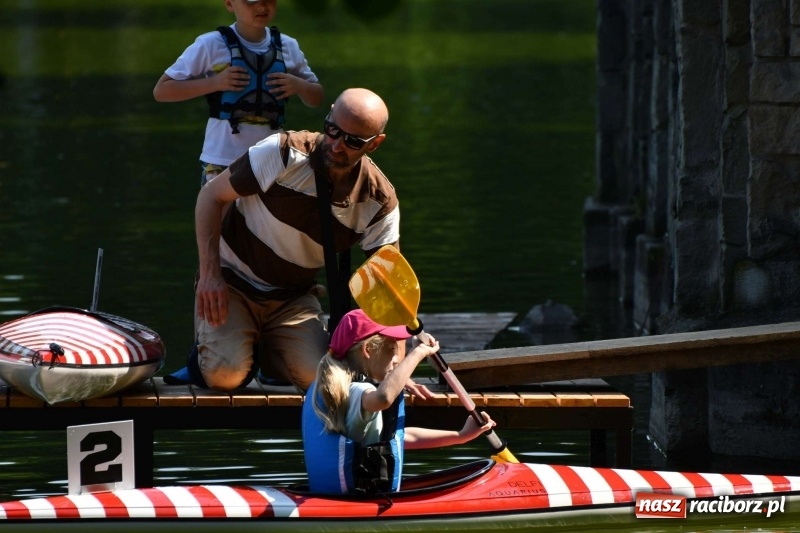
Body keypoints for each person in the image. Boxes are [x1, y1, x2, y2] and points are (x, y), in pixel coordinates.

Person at [173, 87, 429, 395]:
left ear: (375, 144)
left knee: (322, 383)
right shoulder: (283, 153)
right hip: (232, 282)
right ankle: (211, 355)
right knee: (224, 376)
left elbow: (389, 288)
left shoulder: (378, 200)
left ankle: (268, 357)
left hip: (292, 298)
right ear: (329, 115)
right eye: (333, 129)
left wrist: (395, 368)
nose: (336, 144)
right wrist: (210, 274)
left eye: (352, 141)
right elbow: (210, 196)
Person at [302, 309, 496, 494]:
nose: (397, 360)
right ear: (368, 350)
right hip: (356, 502)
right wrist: (418, 354)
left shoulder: (327, 386)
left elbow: (403, 438)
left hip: (336, 497)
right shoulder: (358, 392)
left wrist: (460, 436)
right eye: (392, 351)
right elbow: (383, 398)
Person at [153, 0, 324, 186]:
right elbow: (162, 91)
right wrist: (214, 83)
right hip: (222, 159)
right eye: (251, 1)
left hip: (272, 160)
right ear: (229, 3)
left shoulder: (287, 46)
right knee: (223, 215)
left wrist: (299, 86)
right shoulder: (210, 44)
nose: (262, 6)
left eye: (269, 0)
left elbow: (317, 98)